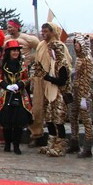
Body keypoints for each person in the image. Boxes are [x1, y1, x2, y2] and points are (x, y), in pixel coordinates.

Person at [31, 23, 70, 157]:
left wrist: (48, 76)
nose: (43, 33)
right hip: (42, 84)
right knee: (46, 114)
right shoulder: (41, 45)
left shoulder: (60, 46)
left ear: (53, 32)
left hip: (56, 87)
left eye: (46, 31)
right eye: (42, 31)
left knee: (57, 117)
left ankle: (60, 144)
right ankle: (49, 141)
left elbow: (65, 72)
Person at [0, 39, 32, 154]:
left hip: (20, 95)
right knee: (7, 123)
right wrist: (7, 86)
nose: (15, 53)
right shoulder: (0, 64)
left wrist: (18, 85)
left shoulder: (23, 65)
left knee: (18, 123)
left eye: (17, 51)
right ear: (8, 52)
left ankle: (17, 145)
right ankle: (7, 144)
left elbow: (26, 78)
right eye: (13, 51)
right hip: (5, 94)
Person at [70, 33, 93, 157]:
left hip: (83, 93)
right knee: (73, 116)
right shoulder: (79, 58)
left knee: (86, 119)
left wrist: (84, 96)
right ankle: (74, 142)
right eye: (74, 43)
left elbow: (87, 79)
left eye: (77, 43)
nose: (75, 45)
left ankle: (88, 147)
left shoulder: (87, 59)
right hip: (76, 91)